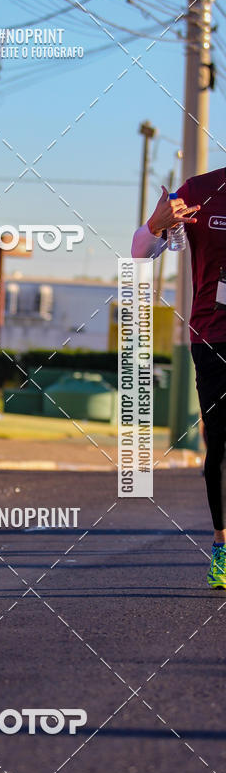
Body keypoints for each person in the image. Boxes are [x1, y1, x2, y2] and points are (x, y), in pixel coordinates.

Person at [132, 178, 226, 588]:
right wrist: (156, 223)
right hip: (215, 335)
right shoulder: (201, 189)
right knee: (221, 442)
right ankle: (223, 548)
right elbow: (140, 252)